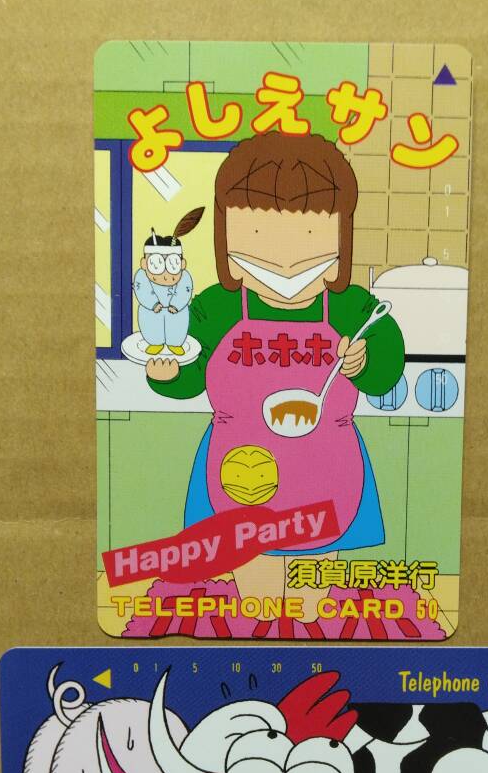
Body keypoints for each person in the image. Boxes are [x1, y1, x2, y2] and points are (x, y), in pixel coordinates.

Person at [146, 132, 404, 620]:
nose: (284, 257)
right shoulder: (217, 307)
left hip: (325, 471)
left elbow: (387, 366)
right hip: (239, 471)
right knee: (259, 603)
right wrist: (167, 371)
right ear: (226, 236)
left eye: (308, 235)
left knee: (310, 607)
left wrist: (365, 361)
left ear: (340, 237)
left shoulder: (351, 307)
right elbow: (188, 371)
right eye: (259, 234)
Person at [133, 208, 202, 355]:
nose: (165, 274)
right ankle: (154, 342)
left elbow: (185, 290)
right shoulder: (142, 276)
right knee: (151, 324)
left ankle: (175, 343)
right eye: (156, 264)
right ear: (144, 264)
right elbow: (141, 289)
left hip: (176, 312)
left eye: (172, 264)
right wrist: (153, 304)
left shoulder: (184, 277)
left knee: (177, 325)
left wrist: (176, 305)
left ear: (182, 264)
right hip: (151, 311)